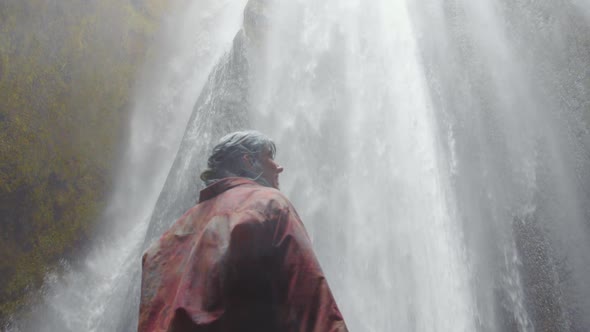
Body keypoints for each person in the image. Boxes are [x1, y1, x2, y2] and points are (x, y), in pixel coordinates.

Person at [138, 131, 348, 332]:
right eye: (269, 157)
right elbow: (310, 300)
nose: (279, 167)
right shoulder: (269, 205)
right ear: (248, 161)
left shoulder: (170, 236)